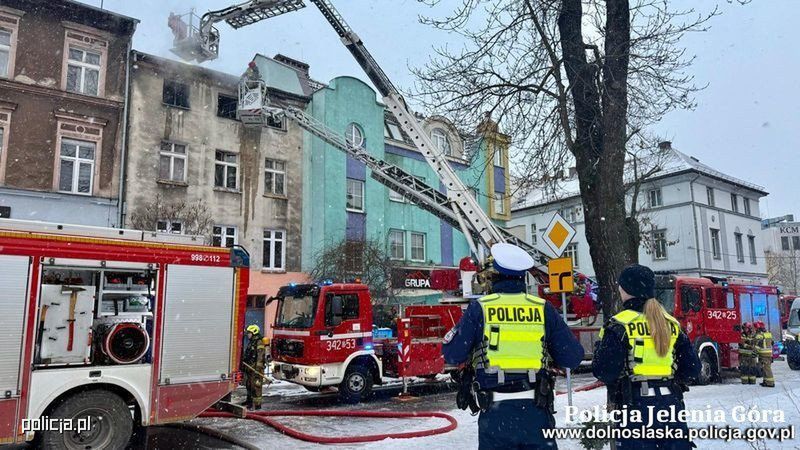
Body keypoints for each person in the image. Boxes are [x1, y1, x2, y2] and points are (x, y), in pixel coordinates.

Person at [443, 243, 584, 449]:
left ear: (495, 276)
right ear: (523, 277)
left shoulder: (480, 309)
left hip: (496, 414)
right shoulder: (542, 309)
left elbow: (453, 354)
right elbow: (572, 357)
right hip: (536, 411)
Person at [592, 264, 701, 450]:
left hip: (635, 407)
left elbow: (605, 372)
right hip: (670, 405)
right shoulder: (671, 324)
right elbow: (692, 368)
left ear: (625, 290)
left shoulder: (619, 325)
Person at [242, 324, 266, 409]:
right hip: (250, 367)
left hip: (256, 369)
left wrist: (258, 369)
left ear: (254, 333)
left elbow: (260, 356)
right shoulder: (252, 341)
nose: (248, 335)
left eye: (249, 333)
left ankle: (257, 405)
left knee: (256, 386)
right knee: (249, 385)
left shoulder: (259, 342)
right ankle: (249, 401)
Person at [753, 321, 775, 387]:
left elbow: (757, 345)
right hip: (768, 353)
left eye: (755, 328)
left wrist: (754, 353)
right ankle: (766, 381)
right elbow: (772, 343)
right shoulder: (768, 333)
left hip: (763, 354)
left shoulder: (759, 335)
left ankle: (770, 383)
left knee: (767, 368)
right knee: (765, 368)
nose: (755, 329)